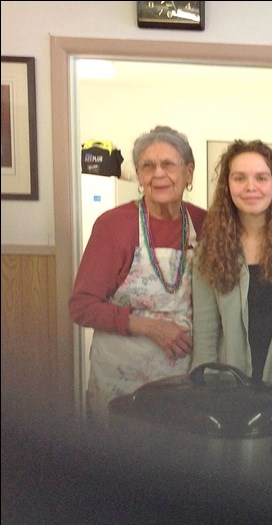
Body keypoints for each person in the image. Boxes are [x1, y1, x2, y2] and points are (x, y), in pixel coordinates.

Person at [69, 125, 206, 425]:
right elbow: (81, 306)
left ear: (189, 172)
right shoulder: (113, 225)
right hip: (122, 376)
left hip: (183, 377)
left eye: (168, 164)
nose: (158, 174)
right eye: (148, 166)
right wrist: (149, 327)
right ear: (140, 177)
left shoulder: (203, 223)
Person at [191, 140, 272, 395]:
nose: (251, 187)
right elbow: (206, 336)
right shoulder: (208, 251)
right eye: (239, 178)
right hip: (225, 394)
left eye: (261, 178)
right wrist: (207, 395)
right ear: (227, 186)